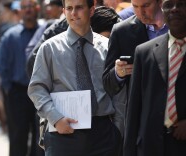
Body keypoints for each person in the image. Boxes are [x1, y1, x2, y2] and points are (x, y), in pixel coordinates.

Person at [28, 0, 122, 155]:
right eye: (69, 8)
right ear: (64, 11)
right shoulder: (49, 48)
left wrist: (117, 128)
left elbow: (117, 90)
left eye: (79, 8)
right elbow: (36, 89)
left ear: (91, 10)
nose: (73, 13)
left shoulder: (107, 47)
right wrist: (56, 118)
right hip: (62, 131)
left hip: (103, 132)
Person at [124, 0, 186, 155]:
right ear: (161, 9)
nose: (174, 10)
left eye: (181, 4)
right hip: (151, 146)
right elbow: (134, 109)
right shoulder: (145, 52)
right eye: (168, 5)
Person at [0, 0, 41, 155]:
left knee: (40, 136)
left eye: (31, 7)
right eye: (24, 7)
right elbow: (1, 65)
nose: (28, 10)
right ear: (19, 11)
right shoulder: (10, 36)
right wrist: (9, 89)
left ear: (37, 9)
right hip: (18, 93)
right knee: (17, 136)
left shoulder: (44, 31)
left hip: (41, 93)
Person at [102, 0, 168, 100]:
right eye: (135, 6)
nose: (140, 12)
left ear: (160, 2)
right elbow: (108, 84)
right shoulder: (122, 31)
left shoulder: (178, 24)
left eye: (146, 5)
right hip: (144, 109)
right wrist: (118, 73)